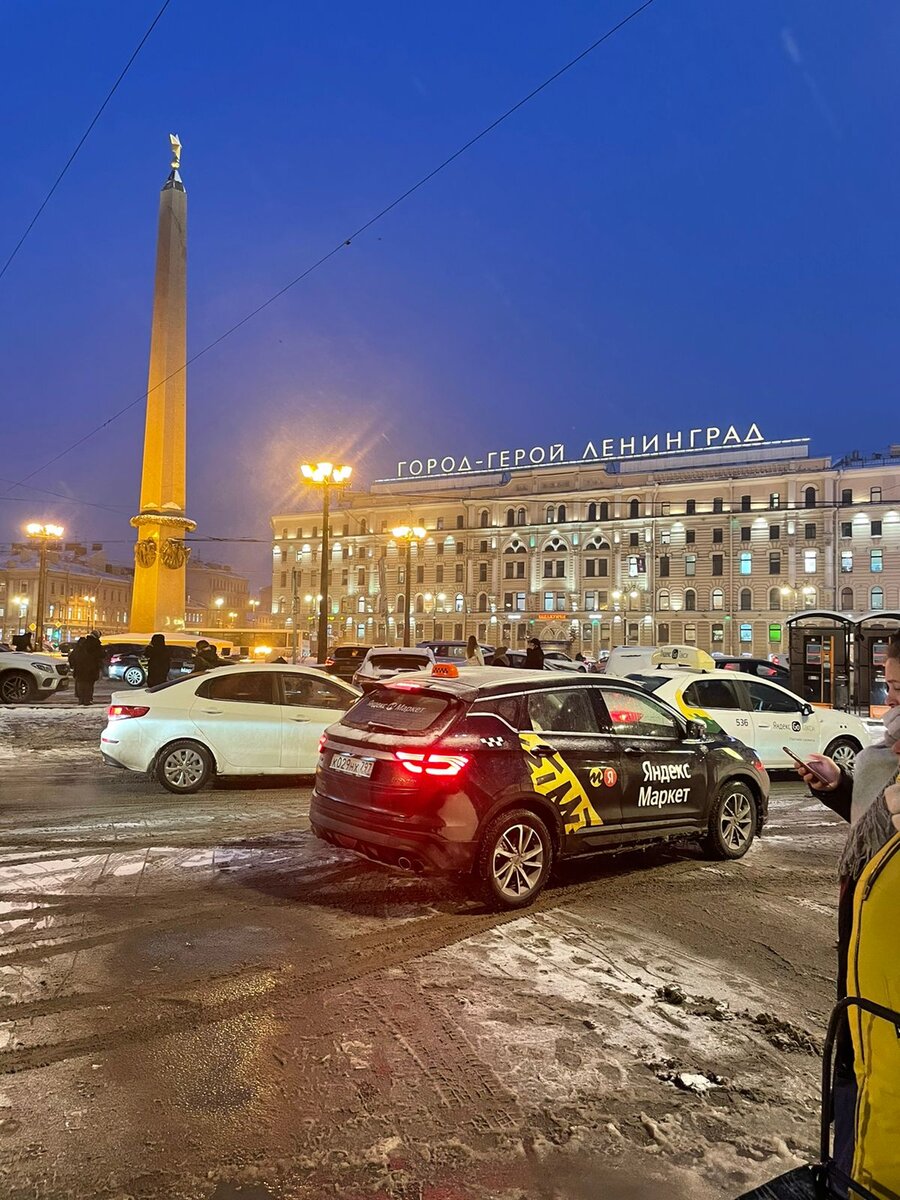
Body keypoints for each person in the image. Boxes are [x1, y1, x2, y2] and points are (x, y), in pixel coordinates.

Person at [794, 636, 900, 1190]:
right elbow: (871, 832)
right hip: (863, 968)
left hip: (887, 988)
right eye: (889, 688)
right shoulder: (885, 759)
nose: (890, 705)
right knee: (856, 1086)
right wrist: (840, 788)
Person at [69, 629, 103, 706]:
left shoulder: (81, 643)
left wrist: (72, 665)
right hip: (91, 668)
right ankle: (87, 700)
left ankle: (81, 699)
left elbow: (72, 656)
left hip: (79, 668)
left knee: (80, 683)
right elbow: (101, 655)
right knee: (89, 684)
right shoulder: (96, 644)